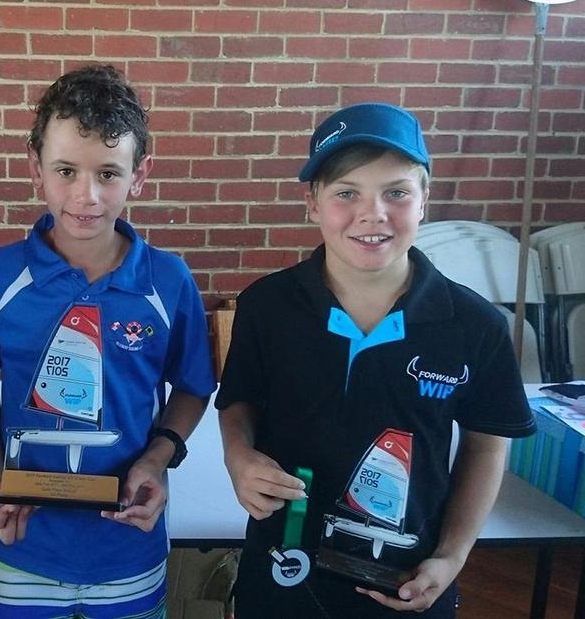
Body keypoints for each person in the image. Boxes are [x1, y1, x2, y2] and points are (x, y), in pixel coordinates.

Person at [216, 102, 535, 618]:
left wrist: (452, 556)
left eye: (396, 192)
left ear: (424, 199)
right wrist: (238, 456)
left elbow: (486, 446)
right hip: (282, 567)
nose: (373, 213)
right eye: (347, 193)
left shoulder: (476, 326)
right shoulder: (266, 307)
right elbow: (239, 403)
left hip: (406, 578)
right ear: (312, 203)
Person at [0, 64, 216, 618]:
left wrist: (158, 459)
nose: (86, 196)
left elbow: (193, 389)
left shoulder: (169, 281)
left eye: (108, 174)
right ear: (36, 169)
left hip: (128, 548)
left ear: (139, 176)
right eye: (66, 170)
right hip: (23, 548)